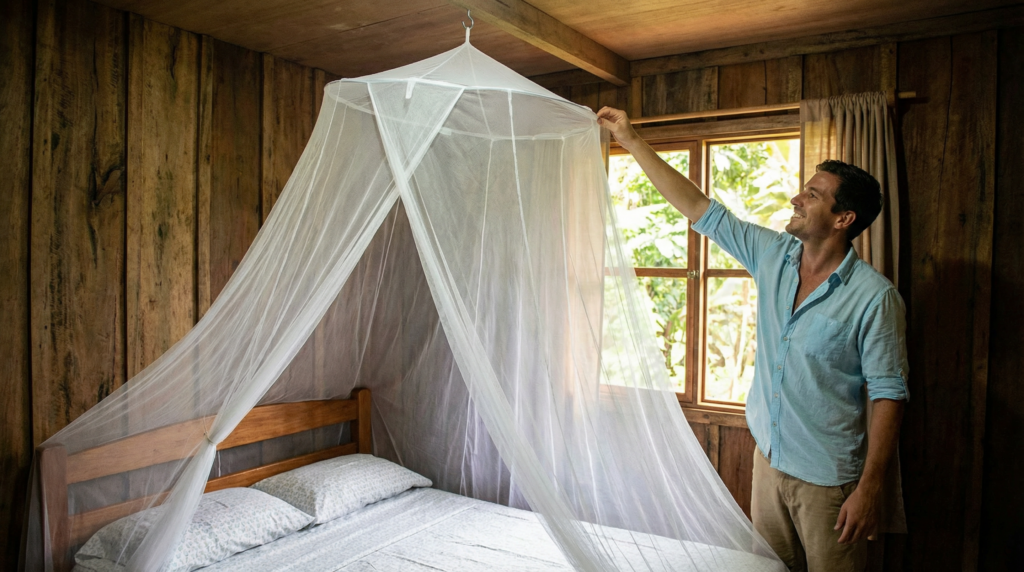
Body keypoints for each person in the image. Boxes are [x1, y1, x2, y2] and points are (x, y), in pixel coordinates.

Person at [597, 107, 908, 572]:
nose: (796, 198)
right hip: (768, 462)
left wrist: (869, 490)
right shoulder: (773, 254)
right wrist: (631, 138)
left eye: (813, 194)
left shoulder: (875, 297)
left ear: (844, 218)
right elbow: (699, 209)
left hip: (828, 484)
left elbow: (888, 395)